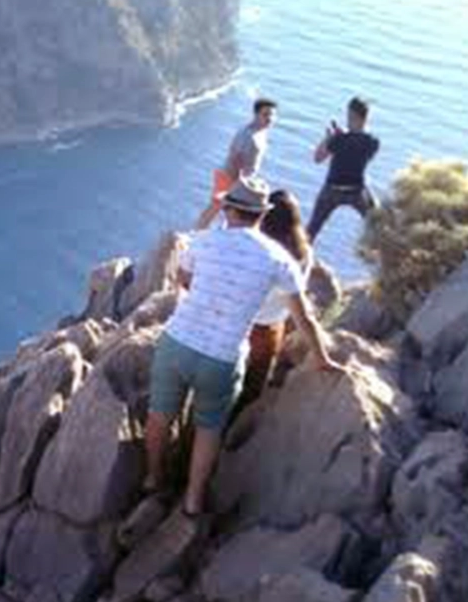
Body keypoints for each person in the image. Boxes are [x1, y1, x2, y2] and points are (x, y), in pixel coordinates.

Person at [141, 176, 345, 533]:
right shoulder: (280, 259)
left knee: (159, 416)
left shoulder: (203, 240)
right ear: (261, 214)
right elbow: (304, 317)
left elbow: (184, 281)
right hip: (222, 356)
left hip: (177, 342)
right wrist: (322, 358)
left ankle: (154, 479)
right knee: (209, 429)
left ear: (230, 208)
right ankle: (192, 501)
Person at [233, 189, 315, 417]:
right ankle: (236, 432)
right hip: (269, 330)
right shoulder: (304, 255)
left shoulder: (256, 248)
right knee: (253, 387)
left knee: (220, 386)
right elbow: (297, 294)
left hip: (238, 323)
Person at [196, 97, 277, 230]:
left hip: (240, 179)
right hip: (230, 177)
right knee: (216, 208)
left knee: (224, 212)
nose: (270, 118)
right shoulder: (248, 135)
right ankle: (196, 234)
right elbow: (235, 158)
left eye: (272, 115)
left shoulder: (261, 132)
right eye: (265, 114)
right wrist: (238, 185)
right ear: (256, 114)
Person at [306, 97, 381, 240]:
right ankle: (386, 256)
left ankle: (299, 257)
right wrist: (344, 136)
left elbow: (317, 158)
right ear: (366, 117)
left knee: (312, 230)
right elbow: (360, 154)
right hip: (357, 191)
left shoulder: (338, 139)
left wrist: (329, 138)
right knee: (378, 224)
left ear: (351, 115)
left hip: (332, 189)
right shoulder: (373, 141)